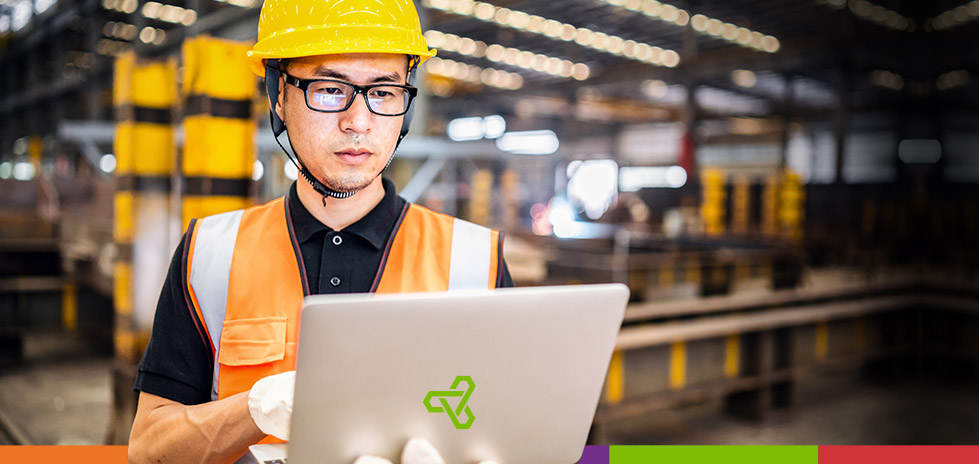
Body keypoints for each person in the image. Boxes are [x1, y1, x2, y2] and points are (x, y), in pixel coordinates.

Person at [127, 1, 512, 462]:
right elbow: (149, 450)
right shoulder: (209, 254)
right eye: (330, 89)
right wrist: (252, 411)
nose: (359, 121)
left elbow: (517, 431)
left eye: (384, 93)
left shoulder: (474, 262)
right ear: (278, 98)